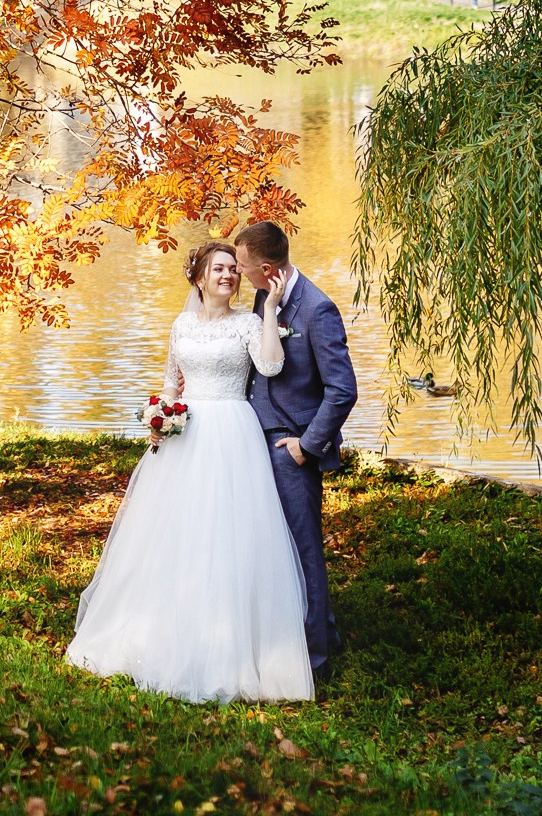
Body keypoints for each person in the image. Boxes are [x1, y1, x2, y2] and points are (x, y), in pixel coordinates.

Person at [64, 241, 316, 702]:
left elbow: (272, 364)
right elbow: (169, 381)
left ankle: (232, 647)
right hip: (189, 435)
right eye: (219, 269)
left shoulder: (247, 322)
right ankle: (162, 634)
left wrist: (272, 309)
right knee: (176, 533)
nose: (229, 276)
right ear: (199, 278)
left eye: (233, 270)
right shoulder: (180, 325)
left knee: (229, 535)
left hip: (232, 433)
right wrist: (159, 417)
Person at [236, 222, 356, 676]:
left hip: (290, 448)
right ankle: (322, 635)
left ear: (267, 270)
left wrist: (306, 446)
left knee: (303, 549)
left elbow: (342, 391)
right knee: (274, 546)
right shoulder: (264, 298)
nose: (241, 275)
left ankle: (315, 661)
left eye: (245, 268)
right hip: (251, 443)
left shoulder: (317, 310)